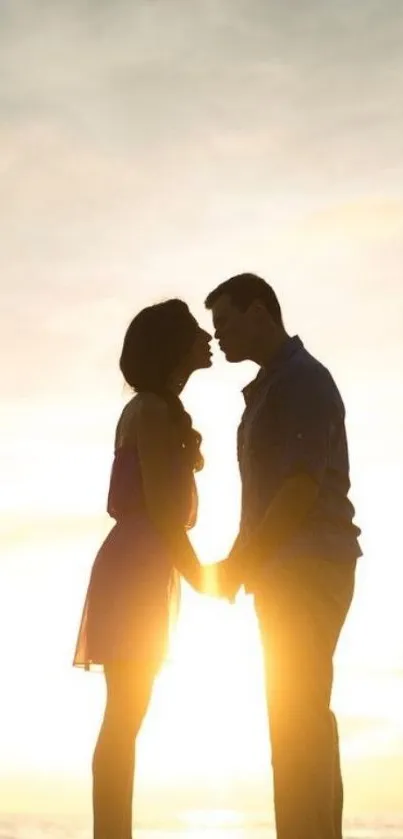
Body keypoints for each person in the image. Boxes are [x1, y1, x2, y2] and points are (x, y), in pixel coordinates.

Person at [205, 273, 362, 839]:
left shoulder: (301, 380)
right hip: (283, 568)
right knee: (299, 716)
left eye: (225, 322)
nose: (218, 335)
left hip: (308, 566)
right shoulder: (271, 386)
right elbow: (264, 501)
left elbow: (298, 490)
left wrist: (241, 564)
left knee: (298, 718)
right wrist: (235, 561)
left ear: (258, 312)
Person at [73, 299, 213, 839]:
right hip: (136, 566)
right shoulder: (151, 412)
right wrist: (208, 579)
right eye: (196, 331)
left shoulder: (156, 409)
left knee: (128, 712)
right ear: (172, 347)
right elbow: (161, 510)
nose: (208, 338)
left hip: (145, 564)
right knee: (125, 714)